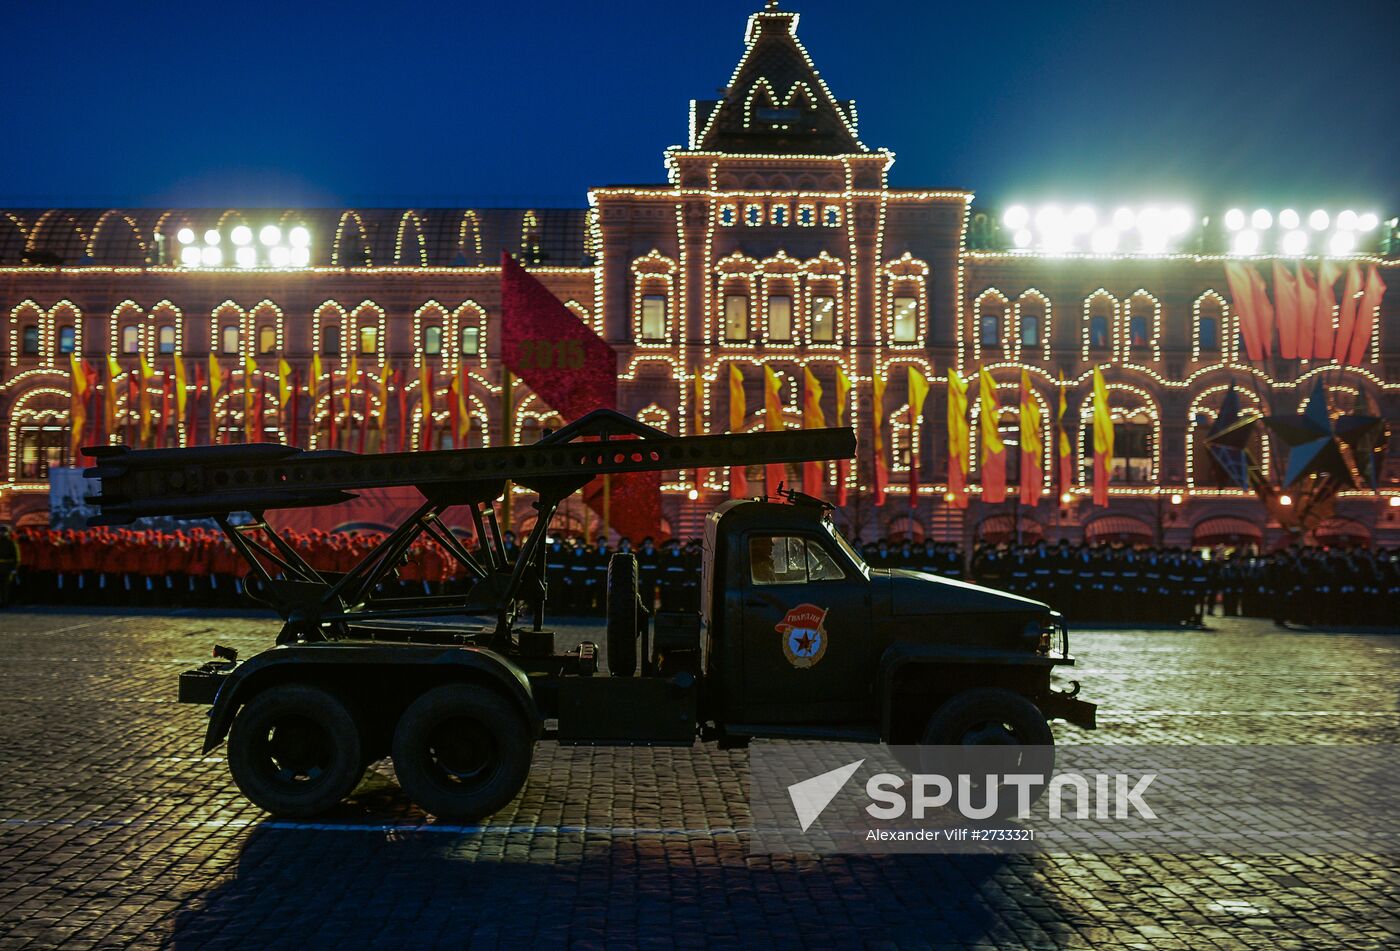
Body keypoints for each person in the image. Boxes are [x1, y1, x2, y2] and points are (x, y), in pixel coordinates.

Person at [0, 526, 17, 608]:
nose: (2, 533)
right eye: (1, 531)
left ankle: (6, 601)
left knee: (6, 585)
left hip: (7, 567)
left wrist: (14, 568)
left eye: (4, 531)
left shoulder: (11, 542)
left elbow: (16, 556)